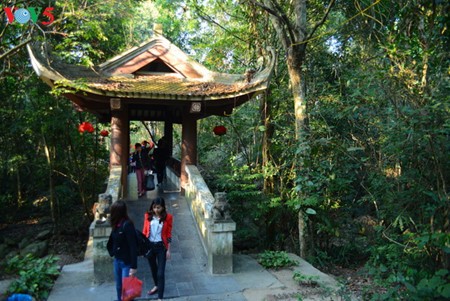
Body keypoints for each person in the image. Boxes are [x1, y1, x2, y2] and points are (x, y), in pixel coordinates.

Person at [142, 197, 173, 300]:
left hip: (161, 247)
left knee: (160, 273)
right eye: (154, 207)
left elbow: (168, 234)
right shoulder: (147, 216)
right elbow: (144, 231)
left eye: (158, 208)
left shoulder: (168, 217)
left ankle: (160, 298)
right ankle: (156, 286)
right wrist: (143, 248)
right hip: (150, 246)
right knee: (153, 269)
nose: (156, 210)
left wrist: (169, 249)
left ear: (163, 207)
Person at [107, 200, 138, 301]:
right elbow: (112, 240)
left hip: (127, 263)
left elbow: (133, 246)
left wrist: (133, 267)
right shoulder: (116, 224)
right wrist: (112, 252)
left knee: (127, 290)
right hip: (117, 261)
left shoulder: (127, 225)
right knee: (119, 287)